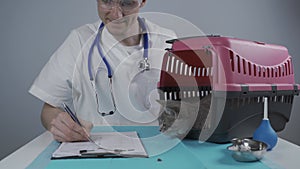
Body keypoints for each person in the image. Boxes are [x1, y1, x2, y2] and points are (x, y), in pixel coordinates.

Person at [29, 0, 176, 142]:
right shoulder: (80, 40)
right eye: (107, 1)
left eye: (127, 3)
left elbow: (186, 105)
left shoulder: (167, 41)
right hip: (96, 146)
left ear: (142, 1)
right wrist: (61, 125)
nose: (117, 15)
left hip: (157, 145)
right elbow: (49, 110)